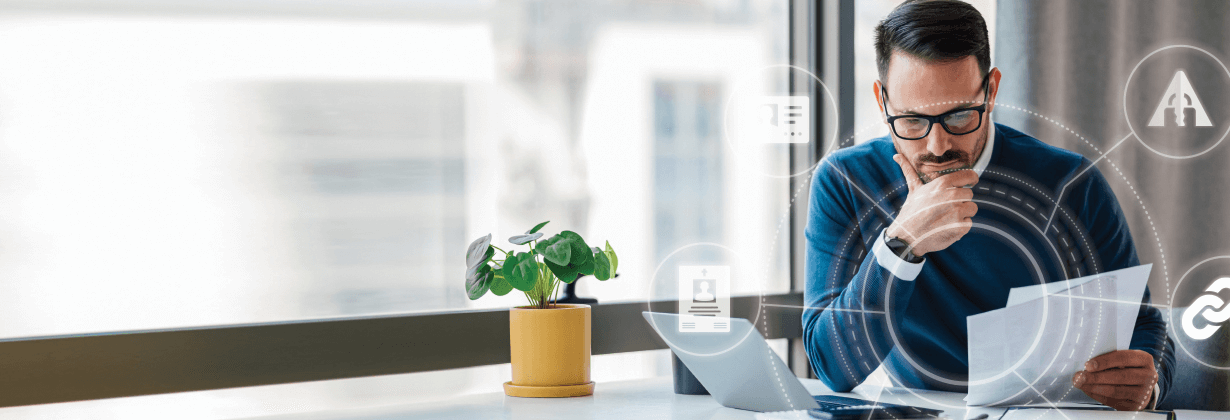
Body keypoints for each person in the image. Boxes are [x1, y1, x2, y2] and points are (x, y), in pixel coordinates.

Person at [801, 0, 1174, 411]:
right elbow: (831, 367)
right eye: (911, 121)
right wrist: (901, 244)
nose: (936, 146)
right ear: (882, 101)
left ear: (991, 91)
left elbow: (1143, 326)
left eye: (959, 117)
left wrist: (1147, 383)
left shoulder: (1070, 185)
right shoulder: (845, 182)